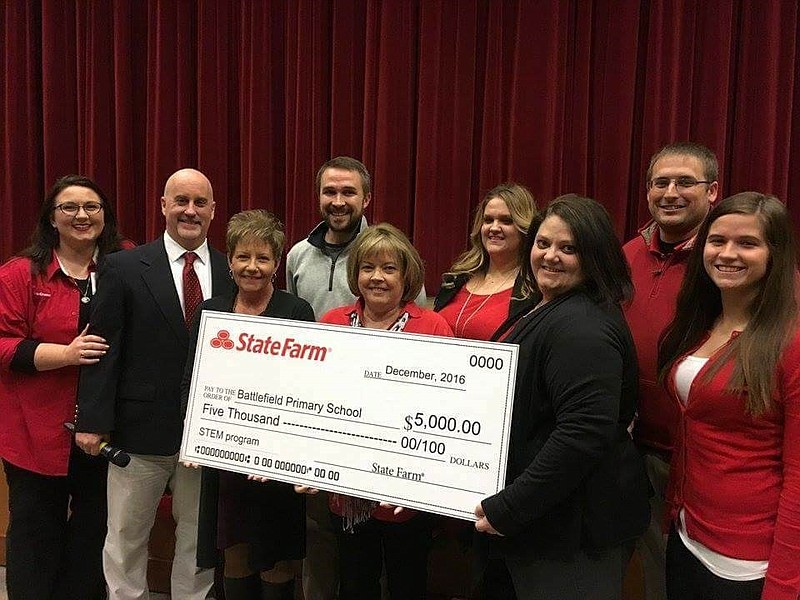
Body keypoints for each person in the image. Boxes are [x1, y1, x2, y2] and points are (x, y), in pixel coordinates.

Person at [474, 195, 650, 600]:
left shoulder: (582, 328)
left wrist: (512, 507)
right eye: (543, 243)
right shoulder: (548, 305)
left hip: (574, 533)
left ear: (594, 256)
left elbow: (582, 434)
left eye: (568, 248)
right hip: (547, 522)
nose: (550, 256)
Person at [75, 168, 232, 600]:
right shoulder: (123, 267)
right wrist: (92, 419)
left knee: (197, 540)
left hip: (206, 433)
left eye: (200, 202)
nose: (190, 210)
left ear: (214, 211)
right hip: (136, 431)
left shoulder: (231, 269)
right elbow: (101, 348)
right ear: (163, 206)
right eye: (180, 200)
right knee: (125, 536)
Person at [284, 155, 425, 599]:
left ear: (366, 198)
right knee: (345, 571)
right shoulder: (304, 270)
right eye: (330, 191)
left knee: (405, 576)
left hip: (404, 474)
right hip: (339, 471)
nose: (377, 277)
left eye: (349, 192)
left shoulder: (430, 324)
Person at [657, 192, 800, 600]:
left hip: (747, 561)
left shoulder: (791, 342)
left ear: (776, 254)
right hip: (686, 534)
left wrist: (785, 586)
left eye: (747, 243)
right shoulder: (702, 320)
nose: (727, 253)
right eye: (717, 241)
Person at [0, 175, 131, 599]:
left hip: (105, 430)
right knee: (35, 537)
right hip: (33, 434)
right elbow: (2, 346)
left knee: (94, 535)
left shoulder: (129, 265)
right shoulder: (20, 274)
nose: (81, 215)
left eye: (91, 206)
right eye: (69, 207)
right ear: (51, 219)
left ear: (105, 216)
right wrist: (66, 354)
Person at [182, 209, 315, 599]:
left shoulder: (296, 311)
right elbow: (194, 379)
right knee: (234, 552)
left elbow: (306, 390)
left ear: (277, 263)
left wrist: (280, 449)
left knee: (275, 559)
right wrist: (196, 437)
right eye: (243, 257)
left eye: (263, 258)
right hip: (225, 460)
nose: (252, 267)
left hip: (278, 464)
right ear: (230, 260)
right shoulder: (211, 311)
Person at [316, 222, 453, 599]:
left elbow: (448, 406)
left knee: (408, 583)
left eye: (389, 268)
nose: (377, 277)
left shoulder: (434, 327)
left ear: (406, 276)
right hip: (347, 493)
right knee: (355, 583)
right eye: (368, 268)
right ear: (355, 273)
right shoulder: (332, 323)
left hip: (409, 495)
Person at [623, 142, 719, 600]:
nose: (671, 192)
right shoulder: (627, 255)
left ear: (713, 191)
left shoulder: (727, 258)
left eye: (685, 182)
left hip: (700, 456)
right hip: (632, 448)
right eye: (660, 183)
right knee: (645, 570)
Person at [434, 182, 537, 339]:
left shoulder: (533, 290)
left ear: (524, 228)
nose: (494, 228)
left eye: (506, 221)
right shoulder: (456, 278)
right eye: (488, 220)